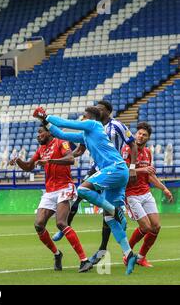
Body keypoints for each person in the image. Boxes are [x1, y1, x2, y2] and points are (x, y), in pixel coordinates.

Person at [34, 106, 138, 275]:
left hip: (115, 168)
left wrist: (46, 115)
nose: (82, 118)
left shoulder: (94, 125)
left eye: (84, 116)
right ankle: (129, 254)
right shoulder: (86, 134)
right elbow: (61, 134)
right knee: (110, 219)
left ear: (91, 117)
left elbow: (66, 123)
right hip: (116, 173)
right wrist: (44, 121)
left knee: (82, 189)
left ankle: (114, 209)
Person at [10, 125, 92, 272]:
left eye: (40, 132)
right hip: (50, 191)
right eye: (37, 133)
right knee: (38, 225)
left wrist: (50, 161)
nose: (38, 135)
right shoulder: (41, 150)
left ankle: (84, 260)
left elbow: (70, 158)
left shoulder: (61, 142)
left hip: (65, 187)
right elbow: (29, 166)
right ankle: (57, 254)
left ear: (49, 132)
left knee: (61, 223)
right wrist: (18, 161)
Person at [122, 122, 174, 267]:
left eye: (144, 135)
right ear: (135, 134)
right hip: (131, 194)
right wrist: (143, 170)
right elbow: (123, 170)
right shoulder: (127, 149)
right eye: (139, 133)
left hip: (145, 192)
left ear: (148, 138)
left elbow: (150, 175)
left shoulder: (148, 152)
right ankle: (127, 254)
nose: (141, 136)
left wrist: (164, 189)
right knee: (146, 227)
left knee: (156, 227)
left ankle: (141, 257)